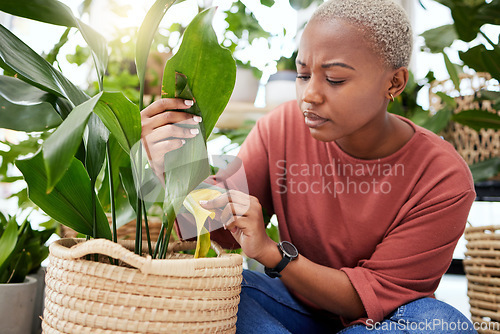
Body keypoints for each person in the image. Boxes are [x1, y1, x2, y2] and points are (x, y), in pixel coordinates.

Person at [140, 0, 477, 332]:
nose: (309, 96)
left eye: (334, 79)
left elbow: (368, 298)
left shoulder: (442, 176)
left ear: (394, 83)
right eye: (303, 75)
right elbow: (220, 232)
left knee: (443, 325)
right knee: (215, 290)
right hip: (292, 306)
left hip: (383, 321)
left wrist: (274, 255)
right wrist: (172, 168)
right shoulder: (282, 128)